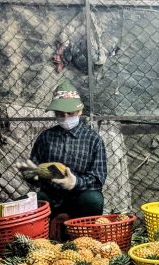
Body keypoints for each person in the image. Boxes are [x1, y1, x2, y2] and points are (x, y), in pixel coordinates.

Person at [23, 80, 107, 224]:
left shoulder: (93, 140)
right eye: (60, 114)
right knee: (32, 200)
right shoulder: (46, 137)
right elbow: (35, 171)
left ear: (80, 111)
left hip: (80, 198)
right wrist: (30, 173)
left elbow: (98, 178)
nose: (66, 118)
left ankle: (81, 232)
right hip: (52, 197)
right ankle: (46, 232)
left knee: (93, 199)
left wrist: (75, 182)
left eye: (70, 113)